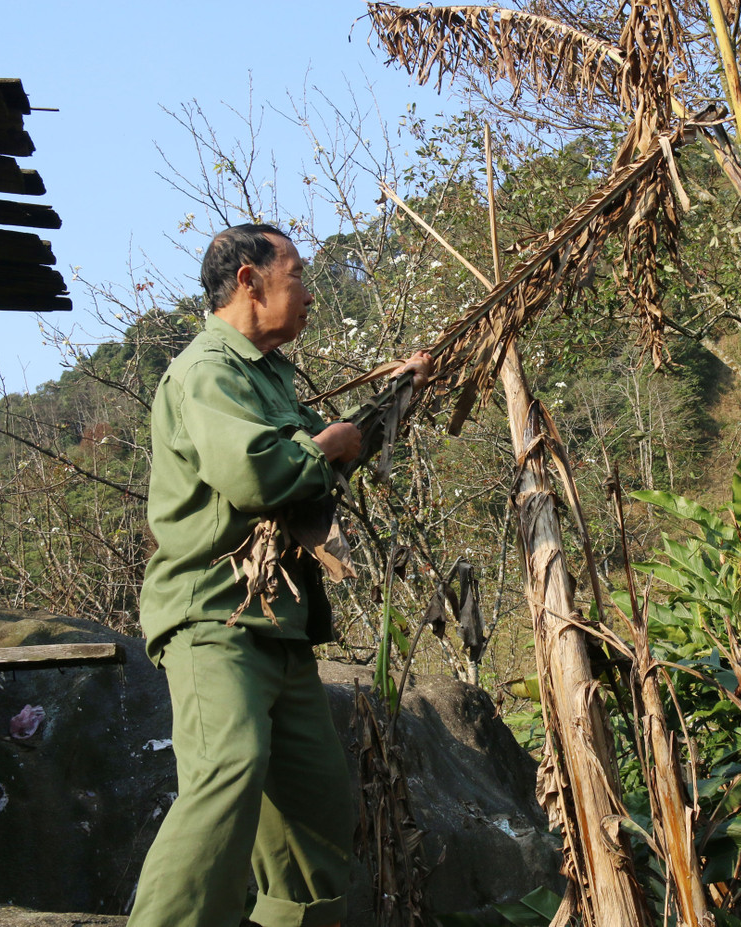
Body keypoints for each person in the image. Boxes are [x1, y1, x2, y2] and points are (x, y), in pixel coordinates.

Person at [128, 224, 431, 927]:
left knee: (318, 812)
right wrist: (324, 446)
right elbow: (258, 473)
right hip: (214, 617)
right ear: (249, 279)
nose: (309, 293)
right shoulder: (207, 370)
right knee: (227, 773)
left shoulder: (268, 375)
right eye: (296, 272)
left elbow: (329, 458)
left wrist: (396, 398)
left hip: (279, 625)